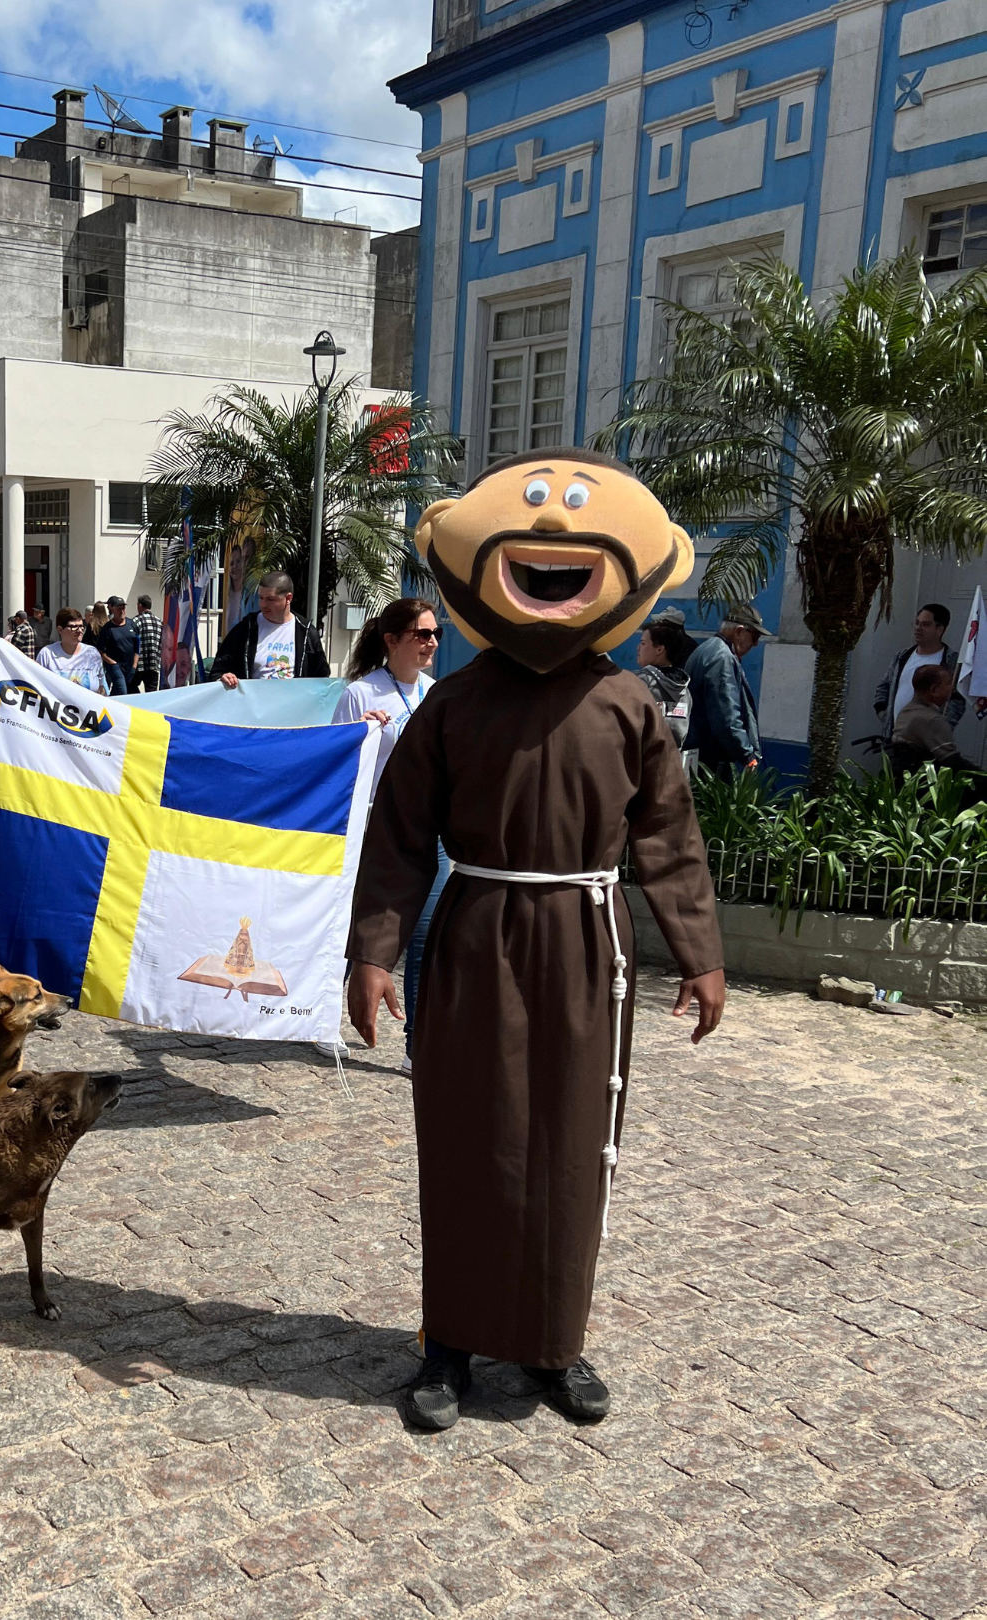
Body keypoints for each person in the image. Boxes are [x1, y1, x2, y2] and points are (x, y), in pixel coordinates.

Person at [347, 449, 724, 1433]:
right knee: (468, 1139)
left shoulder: (629, 704)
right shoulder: (455, 707)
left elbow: (669, 838)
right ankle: (448, 1348)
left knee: (567, 1145)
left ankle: (556, 1345)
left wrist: (700, 952)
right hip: (476, 937)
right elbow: (396, 836)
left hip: (589, 948)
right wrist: (374, 953)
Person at [332, 598, 442, 1073]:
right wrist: (357, 735)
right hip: (375, 827)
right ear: (392, 640)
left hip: (430, 830)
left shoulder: (437, 694)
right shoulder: (361, 693)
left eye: (435, 633)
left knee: (426, 935)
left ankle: (419, 1044)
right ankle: (320, 1019)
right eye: (422, 634)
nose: (432, 642)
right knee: (349, 927)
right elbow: (332, 761)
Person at [683, 604, 768, 773]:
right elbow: (726, 714)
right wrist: (746, 755)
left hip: (700, 752)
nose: (756, 643)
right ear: (739, 631)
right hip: (710, 759)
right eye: (755, 636)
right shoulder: (721, 657)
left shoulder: (709, 649)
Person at [211, 572, 331, 686]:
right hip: (254, 705)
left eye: (270, 599)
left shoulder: (306, 633)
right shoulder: (245, 629)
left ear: (288, 598)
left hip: (293, 706)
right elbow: (218, 670)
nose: (263, 604)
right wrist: (224, 676)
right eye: (261, 598)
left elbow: (321, 678)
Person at [874, 602, 965, 744]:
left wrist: (941, 728)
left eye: (926, 624)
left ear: (940, 629)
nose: (918, 628)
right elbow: (885, 684)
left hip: (927, 742)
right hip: (894, 737)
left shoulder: (950, 662)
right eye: (916, 623)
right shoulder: (902, 656)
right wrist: (882, 712)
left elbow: (957, 700)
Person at [892, 665, 982, 779]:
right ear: (934, 690)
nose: (952, 688)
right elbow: (952, 762)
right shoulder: (931, 719)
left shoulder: (905, 712)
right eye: (948, 683)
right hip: (922, 784)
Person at [634, 622, 693, 749]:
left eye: (643, 643)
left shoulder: (639, 683)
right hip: (672, 762)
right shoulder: (685, 690)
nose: (638, 648)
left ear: (659, 649)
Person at [37, 607, 115, 694]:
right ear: (60, 629)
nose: (79, 631)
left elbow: (102, 683)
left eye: (81, 626)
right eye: (74, 627)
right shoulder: (47, 654)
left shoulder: (92, 653)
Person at [131, 594, 162, 693]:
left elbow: (131, 641)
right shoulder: (159, 622)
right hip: (154, 663)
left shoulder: (135, 621)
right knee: (152, 693)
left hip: (139, 664)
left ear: (140, 605)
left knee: (130, 686)